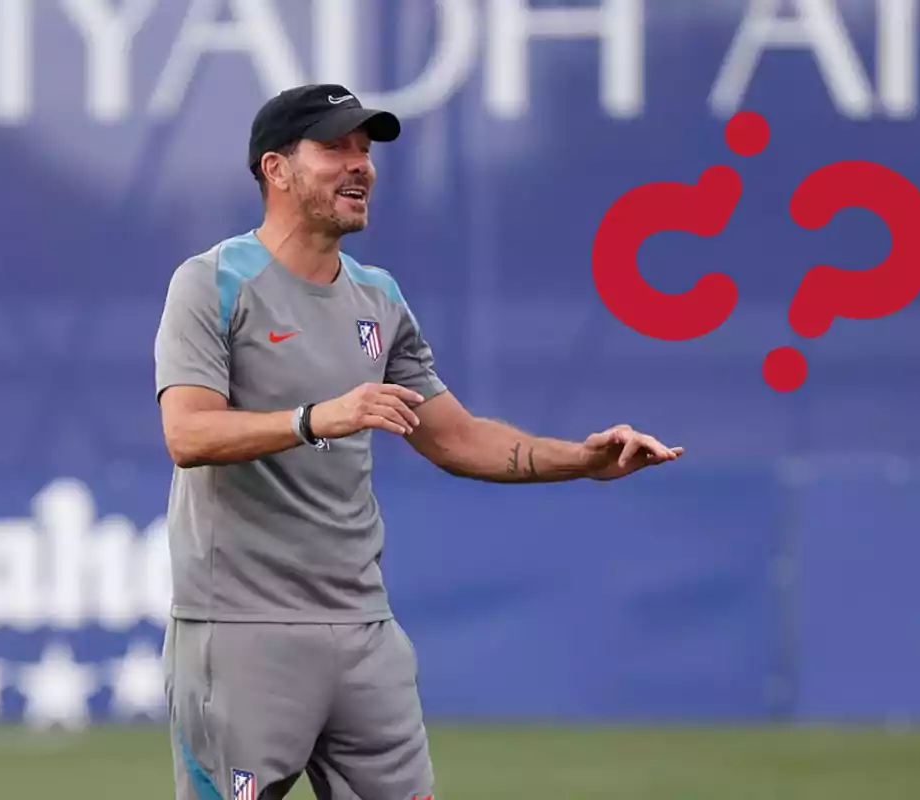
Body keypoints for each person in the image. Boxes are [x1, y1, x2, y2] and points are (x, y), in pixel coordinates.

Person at [154, 83, 684, 800]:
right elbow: (187, 432)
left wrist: (583, 461)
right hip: (243, 633)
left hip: (365, 632)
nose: (360, 165)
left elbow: (456, 438)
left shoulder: (378, 297)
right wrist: (317, 418)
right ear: (275, 169)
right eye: (335, 147)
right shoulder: (211, 282)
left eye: (365, 150)